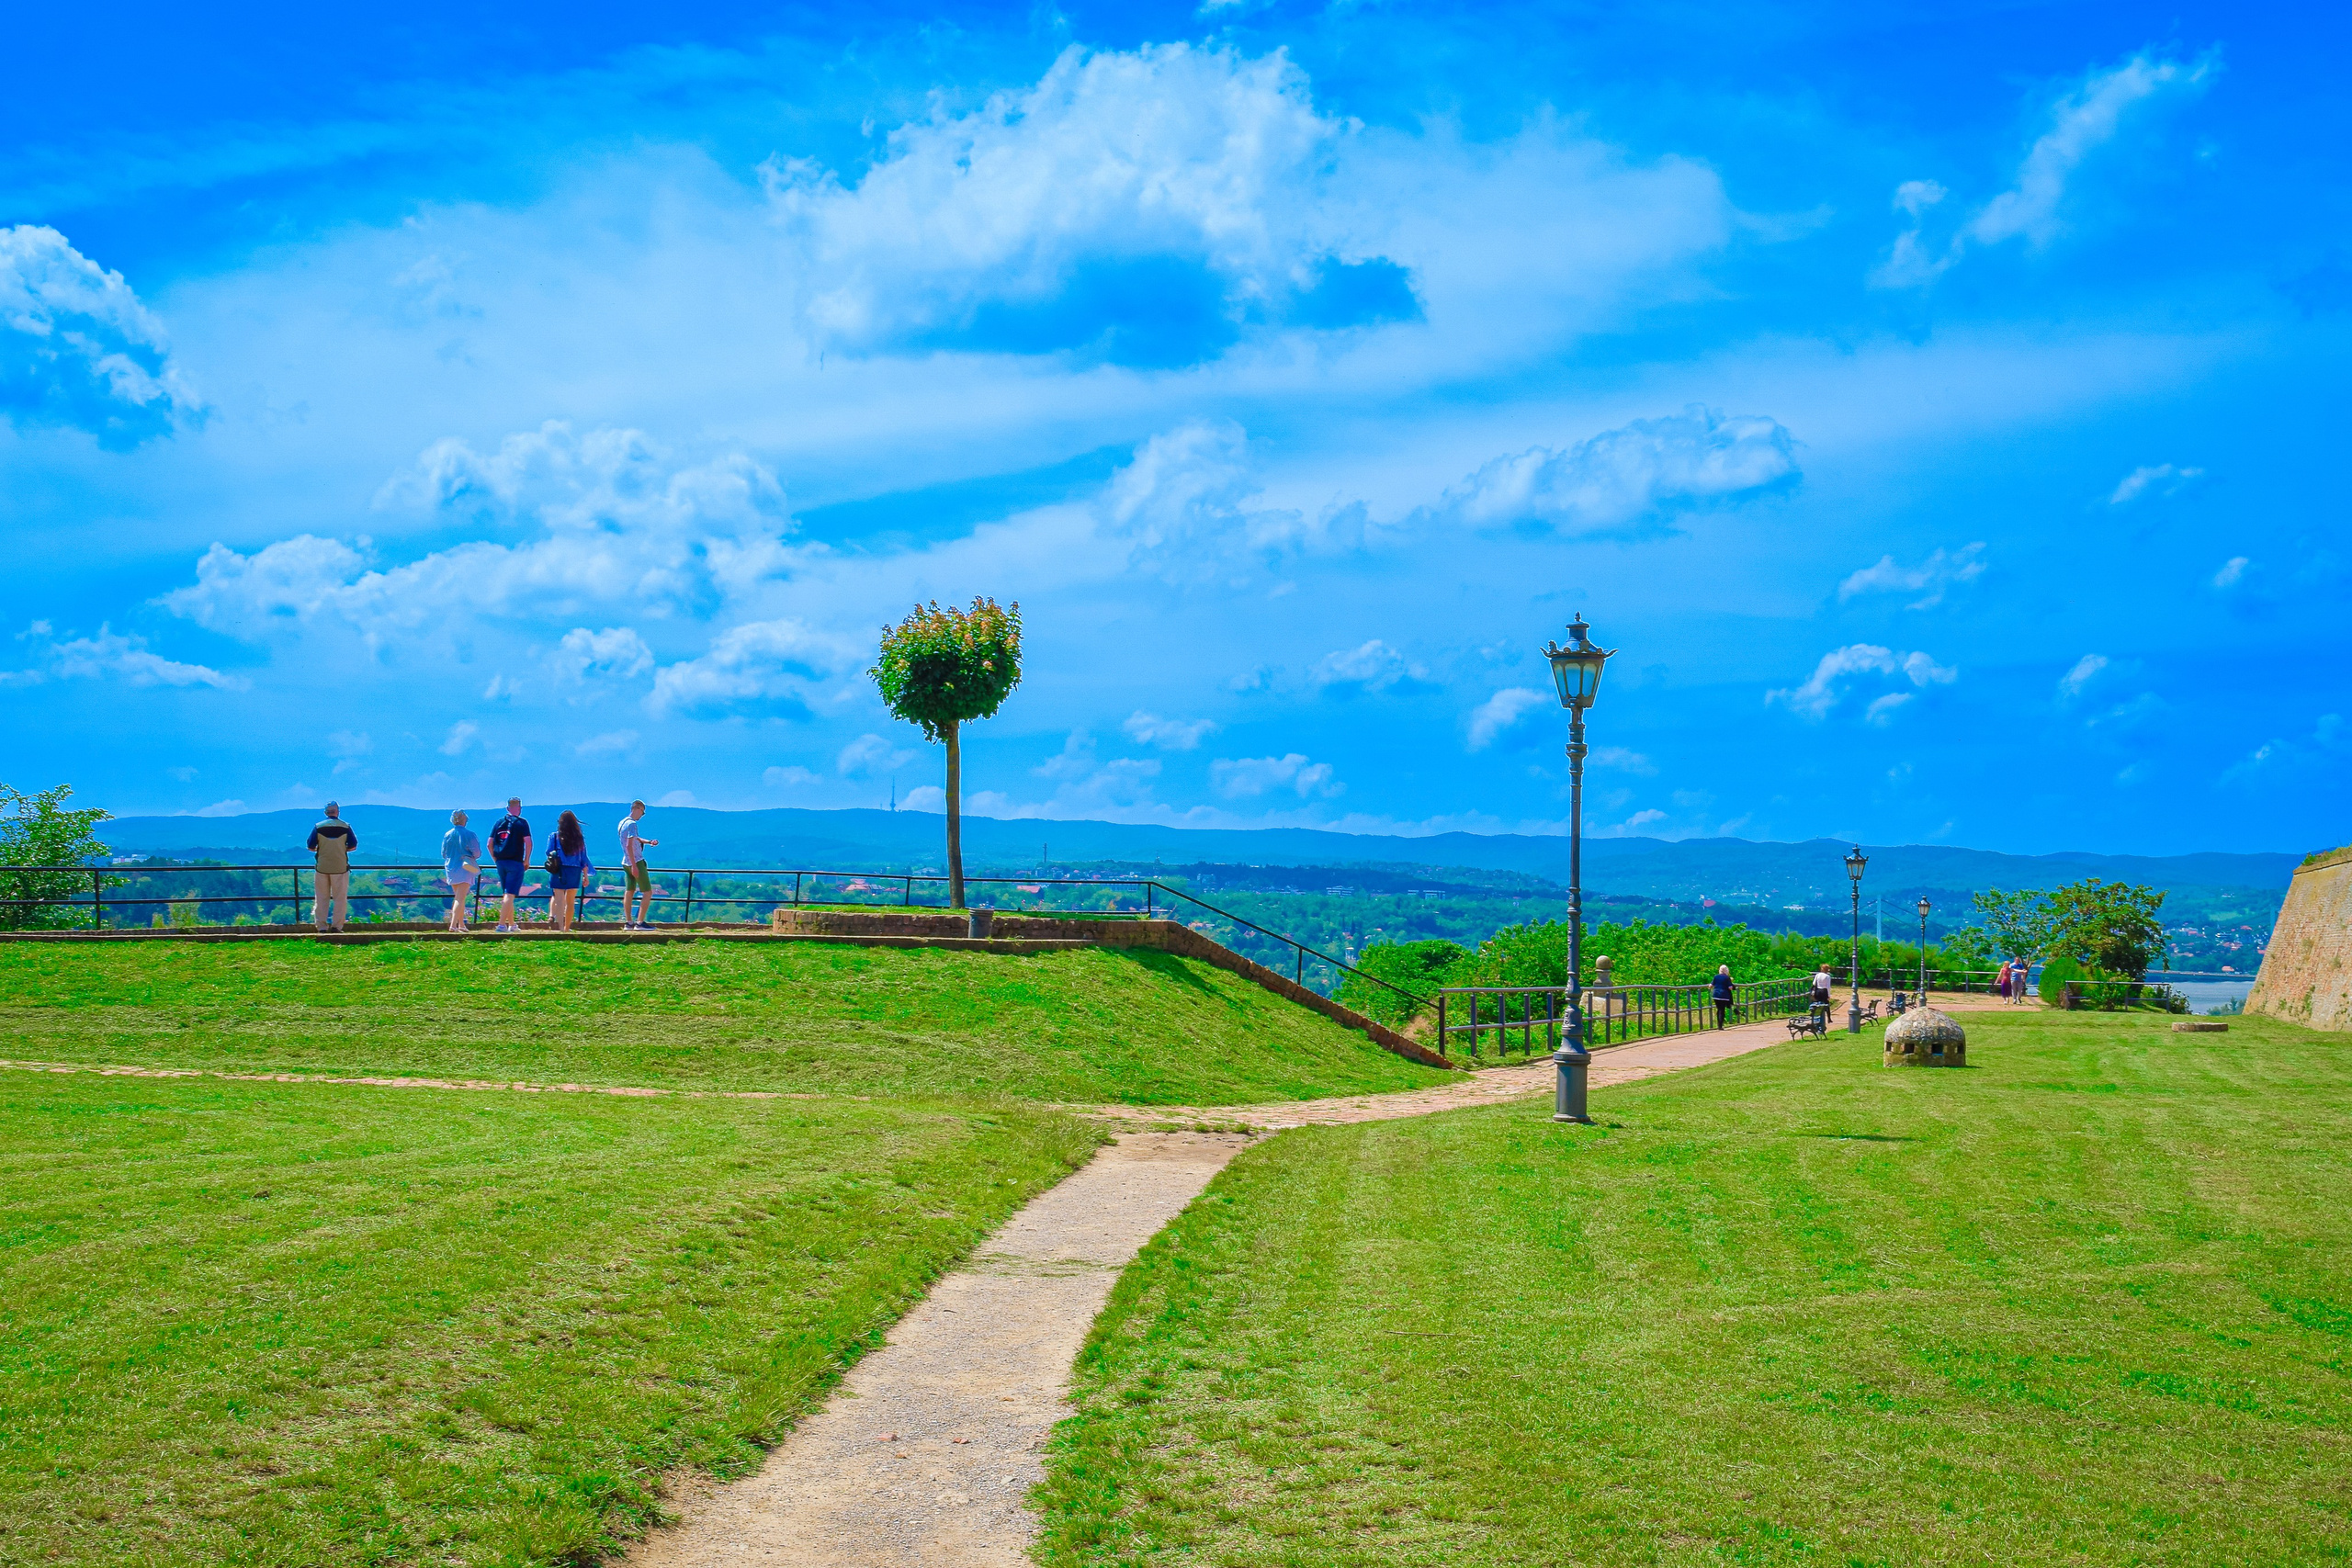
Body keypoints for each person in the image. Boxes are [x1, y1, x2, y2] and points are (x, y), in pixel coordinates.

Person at [306, 800, 357, 932]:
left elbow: (310, 846)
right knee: (340, 898)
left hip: (322, 867)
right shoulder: (346, 827)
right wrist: (341, 849)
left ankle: (321, 927)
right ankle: (336, 926)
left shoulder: (318, 827)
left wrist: (322, 849)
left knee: (321, 898)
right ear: (338, 812)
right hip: (340, 867)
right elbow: (353, 846)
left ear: (325, 813)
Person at [486, 797, 533, 931]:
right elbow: (528, 843)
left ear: (507, 808)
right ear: (519, 808)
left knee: (507, 893)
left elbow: (489, 844)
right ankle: (501, 925)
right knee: (510, 894)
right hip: (515, 861)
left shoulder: (499, 823)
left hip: (501, 861)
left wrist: (495, 859)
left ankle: (512, 924)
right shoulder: (522, 823)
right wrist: (527, 859)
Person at [617, 799, 660, 931]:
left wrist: (648, 842)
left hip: (626, 862)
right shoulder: (632, 824)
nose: (642, 815)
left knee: (629, 891)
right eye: (642, 812)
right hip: (636, 861)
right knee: (647, 892)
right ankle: (640, 923)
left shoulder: (622, 823)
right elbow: (629, 845)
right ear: (638, 809)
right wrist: (635, 866)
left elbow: (634, 839)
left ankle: (628, 922)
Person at [548, 809, 594, 931]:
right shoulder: (579, 839)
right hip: (574, 872)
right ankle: (567, 928)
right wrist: (586, 876)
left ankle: (561, 927)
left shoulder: (554, 836)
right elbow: (583, 859)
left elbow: (548, 853)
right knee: (570, 902)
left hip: (558, 870)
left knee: (559, 900)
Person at [441, 809, 481, 932]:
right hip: (465, 867)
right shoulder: (470, 835)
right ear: (465, 820)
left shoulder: (447, 834)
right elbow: (477, 853)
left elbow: (443, 853)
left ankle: (461, 925)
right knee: (460, 897)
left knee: (459, 896)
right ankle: (453, 925)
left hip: (451, 868)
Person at [1710, 964, 1735, 1028]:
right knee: (1722, 1010)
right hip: (1724, 995)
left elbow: (1710, 986)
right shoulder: (1727, 977)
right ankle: (1720, 1025)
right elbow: (1730, 988)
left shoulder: (1716, 976)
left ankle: (1719, 1023)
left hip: (1716, 995)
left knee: (1719, 1009)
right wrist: (1731, 982)